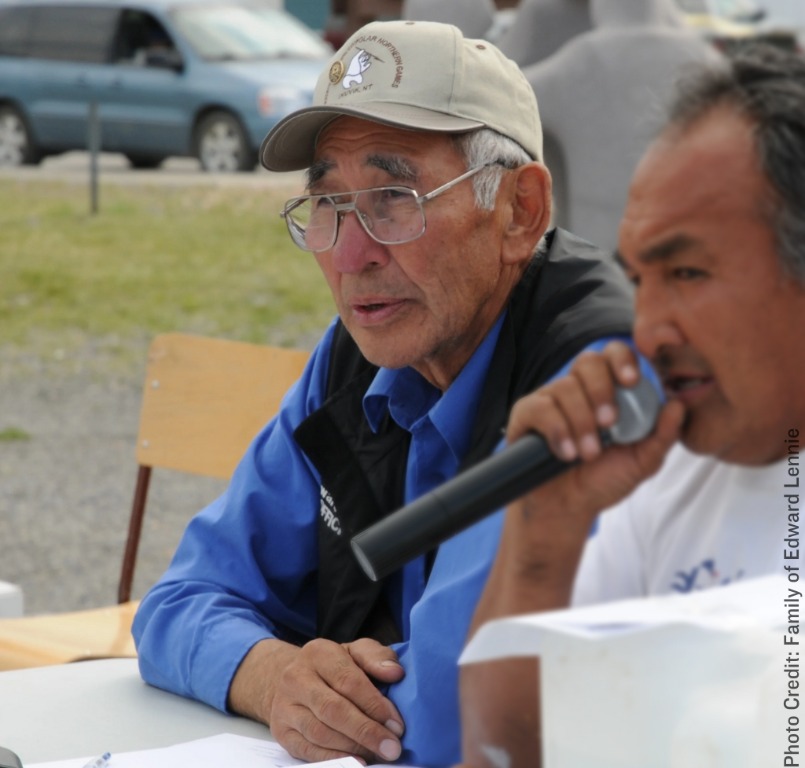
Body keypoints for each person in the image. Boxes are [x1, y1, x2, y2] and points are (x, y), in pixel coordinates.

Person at [132, 19, 635, 767]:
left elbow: (440, 717)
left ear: (519, 212)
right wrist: (272, 676)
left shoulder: (587, 373)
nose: (350, 254)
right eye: (327, 205)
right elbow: (178, 603)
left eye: (393, 196)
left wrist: (302, 686)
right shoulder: (359, 360)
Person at [458, 44, 805, 768]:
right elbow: (502, 753)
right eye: (639, 280)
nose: (647, 331)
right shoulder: (673, 469)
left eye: (685, 271)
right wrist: (543, 529)